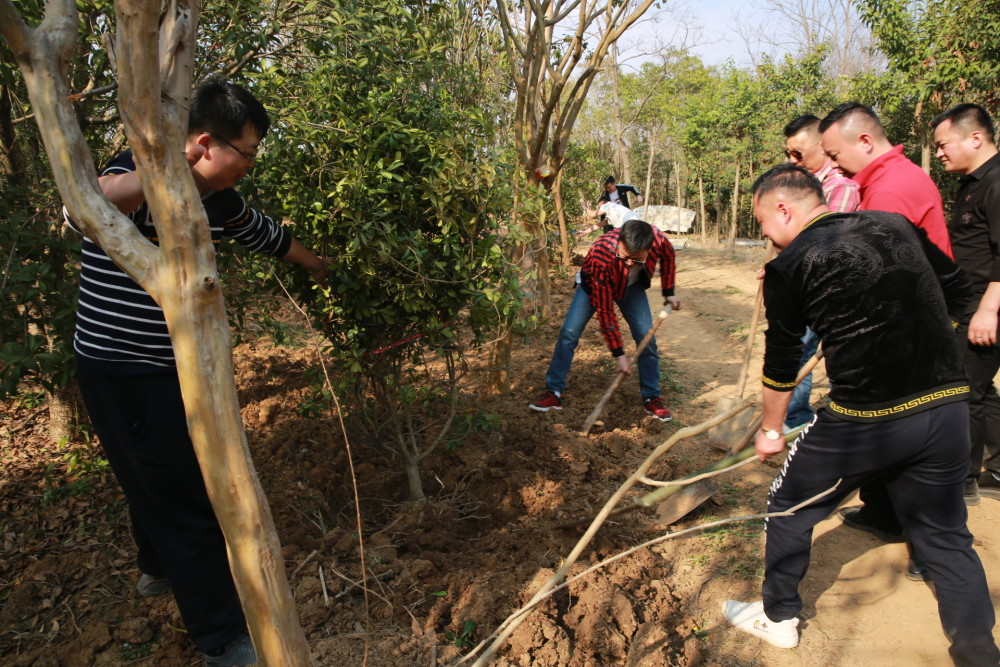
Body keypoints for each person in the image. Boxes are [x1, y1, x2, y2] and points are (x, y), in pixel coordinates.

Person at [66, 78, 327, 666]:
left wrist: (321, 266)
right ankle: (223, 639)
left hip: (167, 366)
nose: (250, 166)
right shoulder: (132, 166)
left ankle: (155, 568)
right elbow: (91, 202)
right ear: (204, 143)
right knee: (182, 496)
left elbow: (266, 235)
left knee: (152, 477)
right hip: (122, 368)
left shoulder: (217, 199)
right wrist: (168, 173)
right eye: (248, 152)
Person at [722, 163, 998, 665]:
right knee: (945, 537)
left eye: (762, 222)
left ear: (784, 208)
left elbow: (782, 363)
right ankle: (980, 649)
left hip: (865, 420)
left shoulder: (790, 266)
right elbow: (958, 293)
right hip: (947, 408)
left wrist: (769, 430)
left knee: (787, 506)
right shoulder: (893, 224)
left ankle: (778, 617)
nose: (765, 235)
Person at [820, 101, 958, 547]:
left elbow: (882, 277)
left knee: (900, 424)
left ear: (864, 141)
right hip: (905, 322)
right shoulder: (884, 180)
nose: (836, 168)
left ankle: (926, 541)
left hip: (908, 326)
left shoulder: (890, 192)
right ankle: (884, 511)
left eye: (836, 156)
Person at [529, 219, 681, 421]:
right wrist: (619, 354)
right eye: (625, 256)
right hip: (594, 285)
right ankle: (553, 392)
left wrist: (668, 292)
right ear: (618, 241)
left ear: (649, 248)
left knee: (646, 337)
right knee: (569, 333)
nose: (629, 263)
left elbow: (669, 256)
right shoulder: (601, 254)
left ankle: (651, 397)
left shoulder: (657, 240)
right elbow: (605, 311)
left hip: (632, 287)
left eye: (637, 260)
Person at [932, 103, 1000, 505]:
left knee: (964, 393)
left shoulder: (996, 183)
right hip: (972, 302)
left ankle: (963, 481)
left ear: (975, 137)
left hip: (984, 305)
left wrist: (988, 310)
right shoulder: (972, 182)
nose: (939, 152)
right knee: (983, 390)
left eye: (943, 144)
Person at [780, 114, 860, 431]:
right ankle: (796, 419)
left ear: (823, 146)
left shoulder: (839, 188)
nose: (792, 161)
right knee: (799, 353)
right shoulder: (809, 186)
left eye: (797, 154)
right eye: (788, 154)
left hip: (828, 290)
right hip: (808, 287)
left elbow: (823, 248)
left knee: (814, 355)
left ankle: (804, 421)